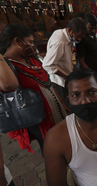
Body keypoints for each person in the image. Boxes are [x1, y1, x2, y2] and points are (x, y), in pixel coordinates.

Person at [0, 24, 67, 154]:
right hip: (38, 122)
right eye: (30, 42)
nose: (33, 46)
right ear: (17, 41)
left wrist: (62, 103)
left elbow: (47, 83)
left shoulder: (31, 60)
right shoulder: (6, 67)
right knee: (52, 151)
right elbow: (9, 85)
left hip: (56, 111)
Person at [43, 18, 87, 102]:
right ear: (70, 30)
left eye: (81, 37)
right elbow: (47, 65)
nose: (79, 39)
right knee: (66, 105)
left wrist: (73, 68)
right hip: (59, 82)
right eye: (77, 36)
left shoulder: (66, 35)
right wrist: (67, 76)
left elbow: (65, 57)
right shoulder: (60, 42)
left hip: (66, 77)